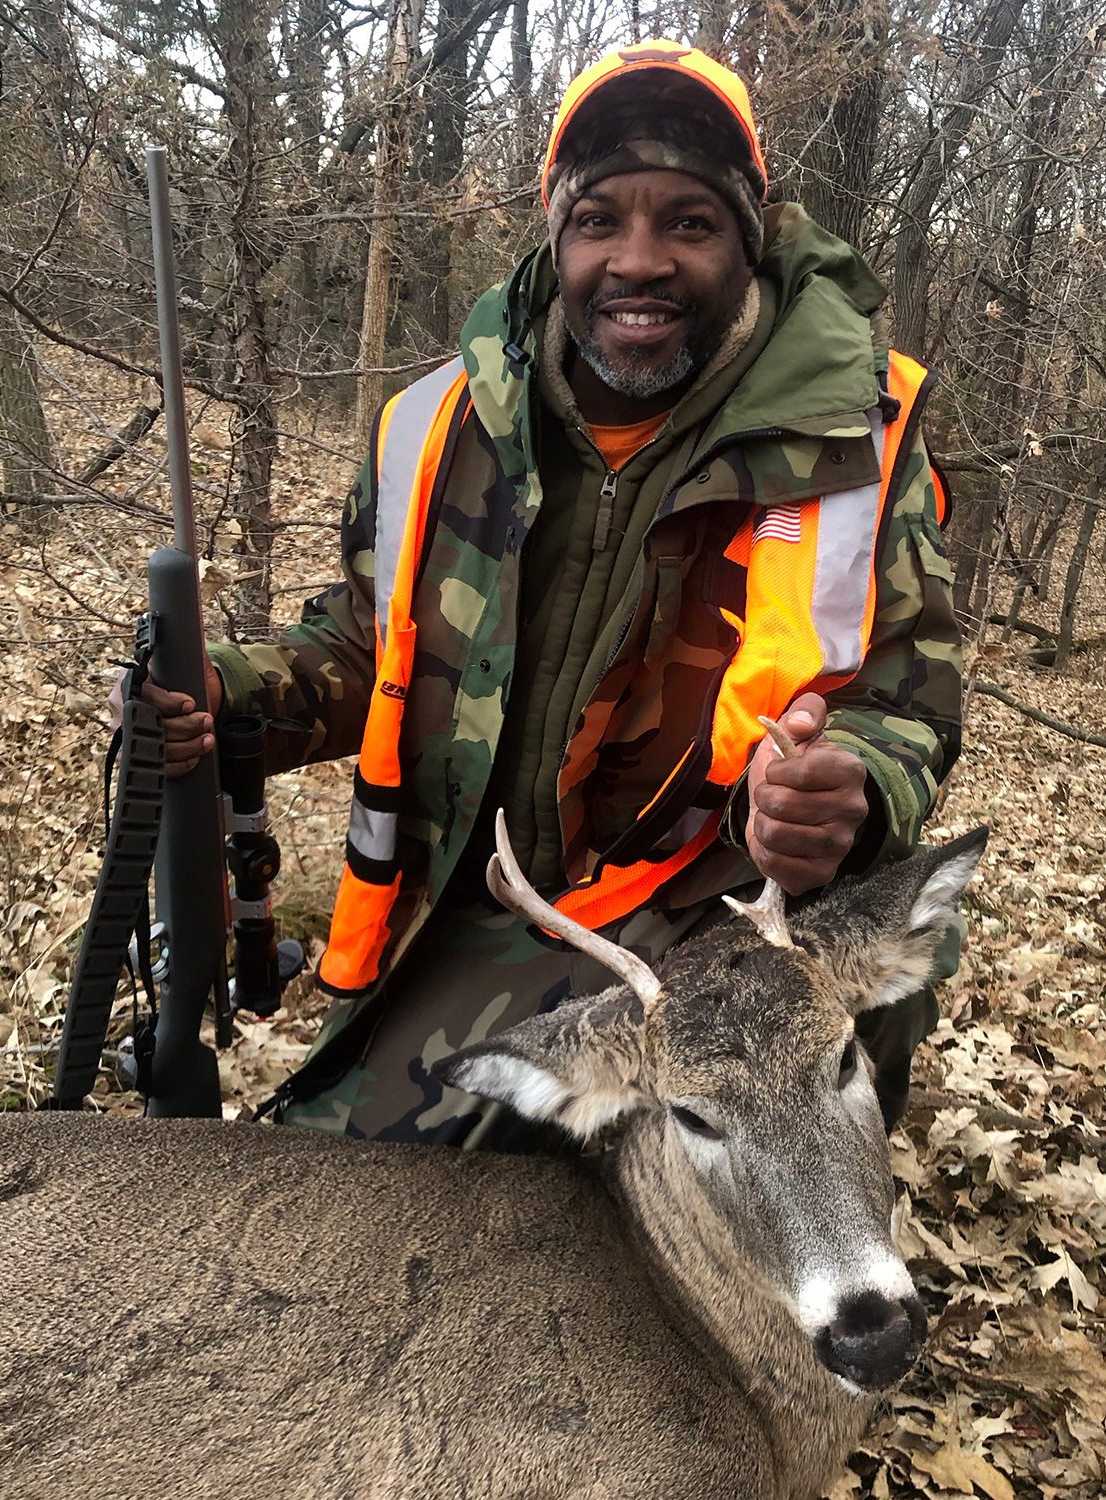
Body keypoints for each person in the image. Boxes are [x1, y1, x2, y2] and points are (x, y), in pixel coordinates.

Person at [135, 41, 964, 1146]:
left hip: (711, 913)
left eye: (689, 222)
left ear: (749, 241)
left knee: (858, 997)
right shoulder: (436, 424)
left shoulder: (859, 436)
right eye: (600, 219)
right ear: (557, 237)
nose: (639, 261)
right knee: (344, 1195)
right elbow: (366, 645)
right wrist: (225, 690)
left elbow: (906, 704)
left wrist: (848, 790)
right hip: (485, 910)